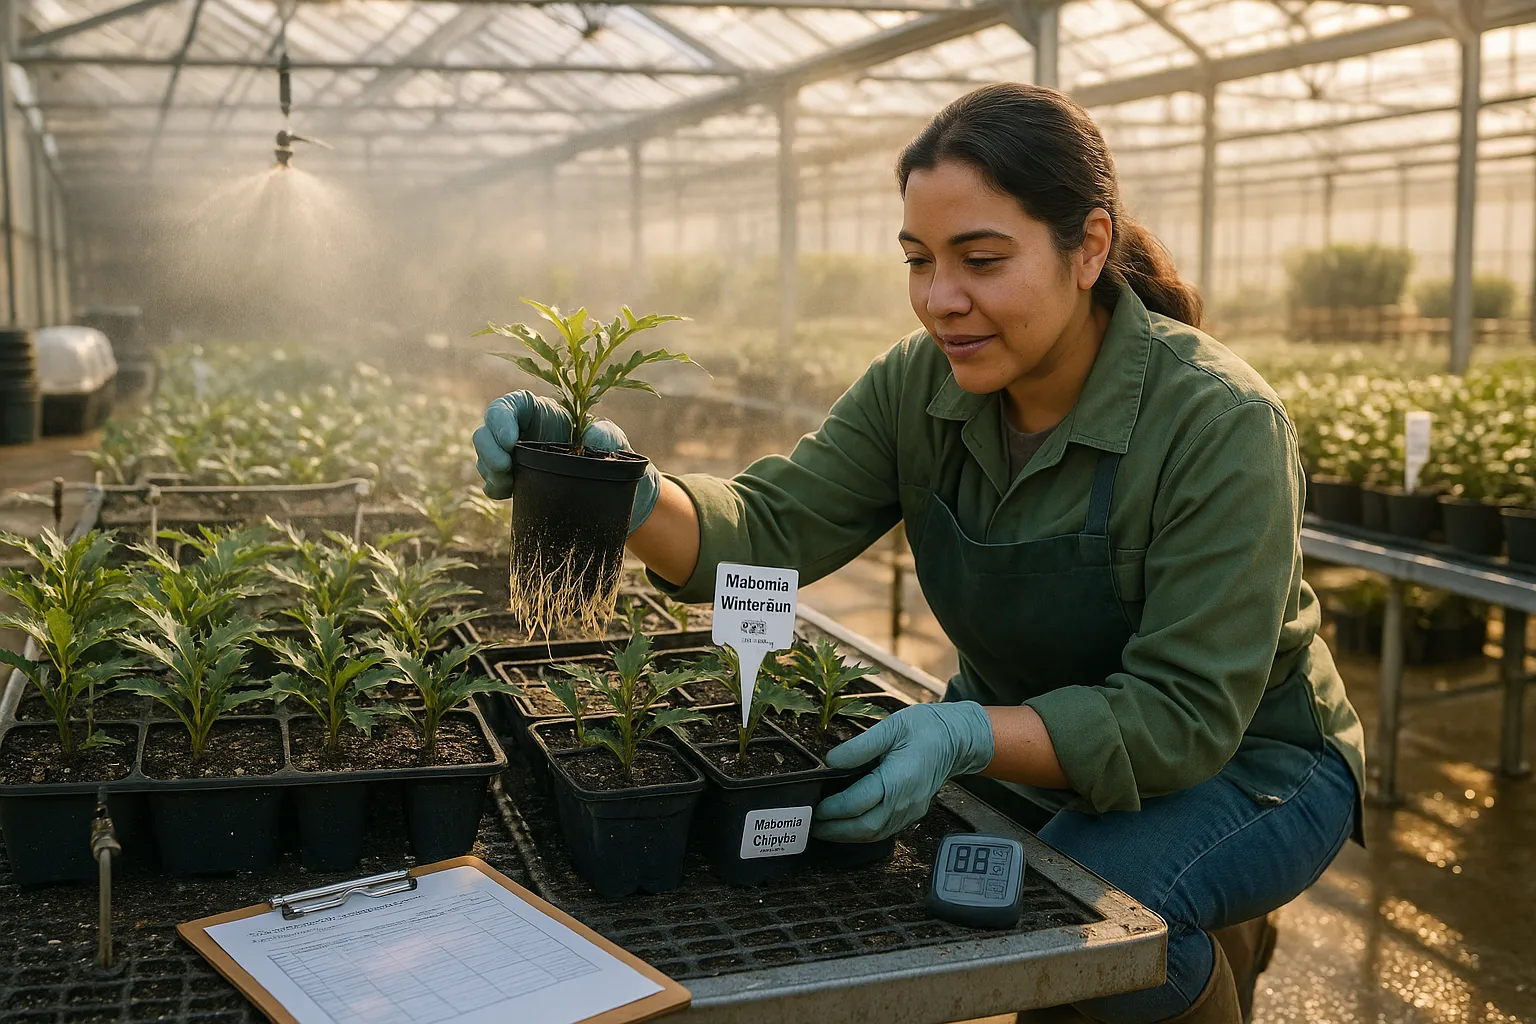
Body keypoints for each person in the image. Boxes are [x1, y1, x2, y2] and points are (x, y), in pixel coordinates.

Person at [473, 83, 1365, 1024]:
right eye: (919, 260)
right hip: (1032, 744)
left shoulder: (1219, 422)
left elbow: (1185, 713)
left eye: (981, 259)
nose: (942, 300)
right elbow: (773, 525)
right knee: (923, 881)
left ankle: (1195, 952)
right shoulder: (919, 386)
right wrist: (628, 493)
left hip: (1251, 763)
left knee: (1083, 929)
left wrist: (966, 733)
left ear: (1089, 247)